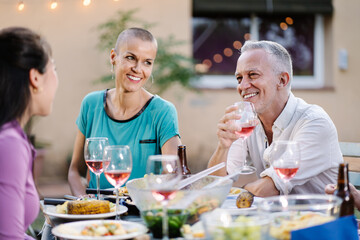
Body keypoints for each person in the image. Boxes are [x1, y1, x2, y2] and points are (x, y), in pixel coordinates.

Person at [208, 40, 343, 197]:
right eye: (239, 78)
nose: (243, 86)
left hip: (321, 219)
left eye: (252, 75)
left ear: (282, 80)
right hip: (279, 218)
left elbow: (268, 188)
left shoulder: (315, 123)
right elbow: (213, 186)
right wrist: (223, 146)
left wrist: (236, 192)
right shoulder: (247, 121)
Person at [68, 27, 181, 197]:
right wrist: (84, 203)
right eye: (130, 58)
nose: (138, 68)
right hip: (99, 213)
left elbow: (173, 174)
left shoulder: (163, 112)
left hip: (142, 212)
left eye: (147, 62)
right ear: (114, 57)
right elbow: (75, 171)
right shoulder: (91, 105)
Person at [0, 27, 58, 239]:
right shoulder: (9, 144)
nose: (56, 80)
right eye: (54, 69)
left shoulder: (11, 136)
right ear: (35, 78)